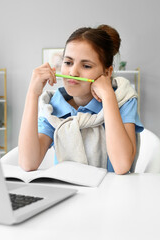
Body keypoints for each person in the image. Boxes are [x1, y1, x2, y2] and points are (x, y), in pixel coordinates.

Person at [18, 24, 143, 175]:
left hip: (110, 193)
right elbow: (28, 162)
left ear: (107, 72)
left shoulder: (123, 98)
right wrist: (32, 93)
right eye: (68, 62)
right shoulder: (54, 106)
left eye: (86, 66)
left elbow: (122, 165)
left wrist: (108, 96)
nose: (73, 72)